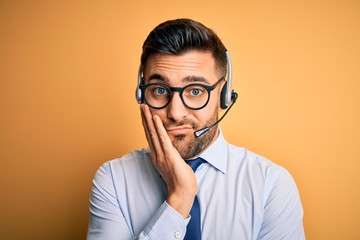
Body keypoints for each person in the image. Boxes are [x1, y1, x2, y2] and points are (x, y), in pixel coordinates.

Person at [87, 18, 305, 240]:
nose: (175, 113)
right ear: (142, 95)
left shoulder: (271, 185)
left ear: (224, 95)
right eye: (160, 90)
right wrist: (180, 199)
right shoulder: (113, 178)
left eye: (195, 90)